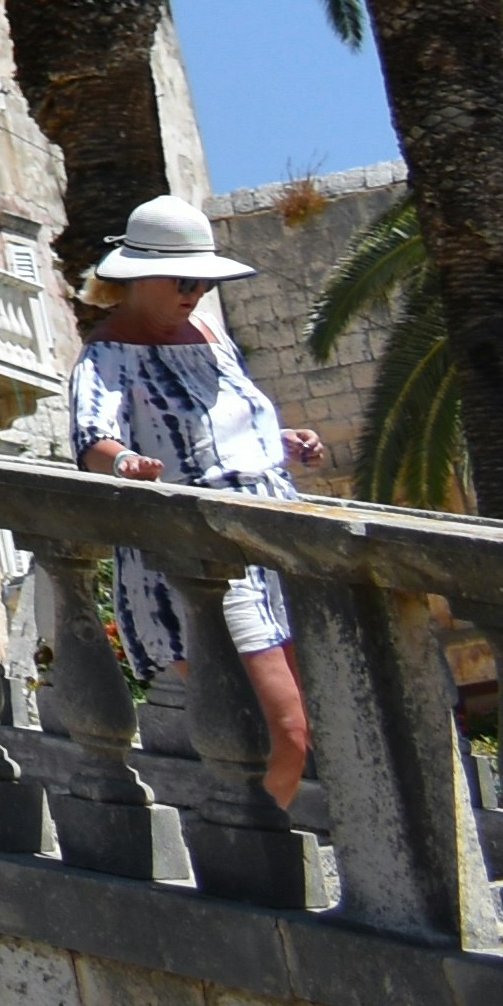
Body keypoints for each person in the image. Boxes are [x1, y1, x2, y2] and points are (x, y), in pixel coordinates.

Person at [66, 192, 330, 808]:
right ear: (136, 279)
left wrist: (281, 441)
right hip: (200, 563)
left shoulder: (210, 336)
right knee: (281, 730)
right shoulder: (108, 352)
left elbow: (222, 420)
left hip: (272, 546)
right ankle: (245, 849)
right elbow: (90, 438)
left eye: (203, 280)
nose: (195, 291)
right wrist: (124, 461)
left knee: (303, 725)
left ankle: (260, 840)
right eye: (182, 280)